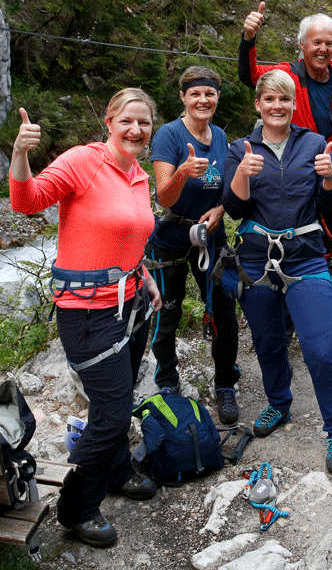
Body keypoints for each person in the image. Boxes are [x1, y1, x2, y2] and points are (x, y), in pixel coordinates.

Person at [9, 89, 163, 549]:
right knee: (113, 413)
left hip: (130, 302)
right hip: (88, 313)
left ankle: (116, 472)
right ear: (109, 121)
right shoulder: (82, 161)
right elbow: (27, 200)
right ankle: (77, 506)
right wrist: (20, 153)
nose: (136, 130)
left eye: (145, 123)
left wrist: (145, 276)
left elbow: (129, 235)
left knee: (117, 398)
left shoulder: (136, 174)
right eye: (127, 121)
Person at [222, 69, 332, 474]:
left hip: (306, 255)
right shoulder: (239, 148)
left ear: (294, 105)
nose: (277, 107)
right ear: (258, 104)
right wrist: (242, 175)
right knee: (267, 342)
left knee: (320, 349)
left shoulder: (313, 143)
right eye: (269, 100)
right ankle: (278, 403)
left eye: (285, 100)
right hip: (256, 258)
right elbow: (234, 210)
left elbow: (331, 209)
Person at [145, 66, 241, 424]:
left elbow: (227, 191)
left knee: (225, 314)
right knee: (165, 315)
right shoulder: (168, 135)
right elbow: (165, 198)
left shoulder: (220, 136)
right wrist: (183, 172)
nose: (203, 100)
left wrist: (219, 210)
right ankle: (168, 384)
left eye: (210, 94)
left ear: (217, 98)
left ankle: (225, 385)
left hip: (211, 237)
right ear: (183, 97)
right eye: (195, 94)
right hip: (169, 237)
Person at [239, 1, 332, 175]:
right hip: (297, 176)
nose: (323, 49)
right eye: (316, 42)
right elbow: (251, 76)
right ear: (302, 44)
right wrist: (249, 38)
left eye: (329, 43)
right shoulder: (288, 74)